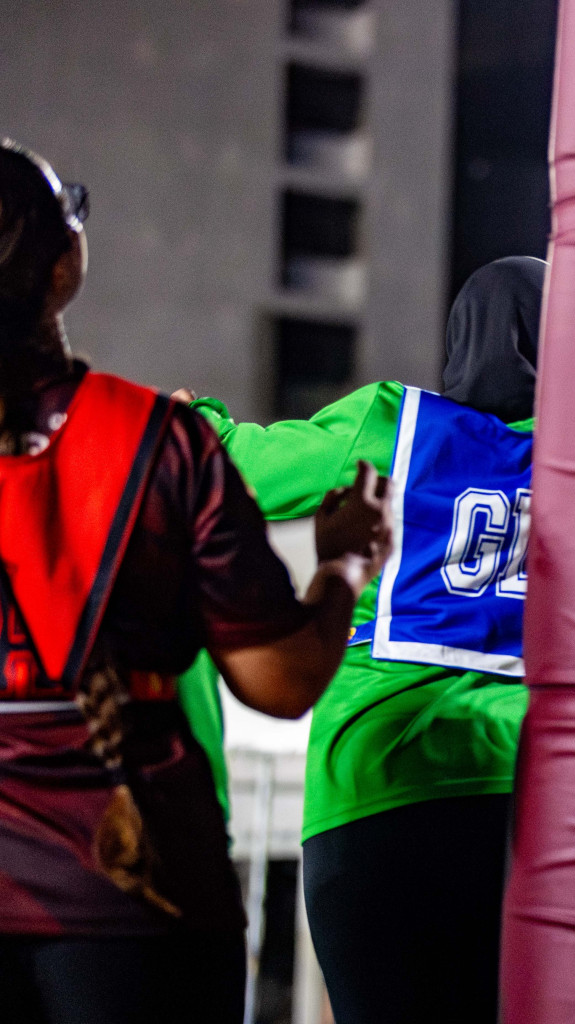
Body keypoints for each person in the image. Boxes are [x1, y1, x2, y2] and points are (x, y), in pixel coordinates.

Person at [0, 140, 390, 1023]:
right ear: (66, 266)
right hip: (134, 899)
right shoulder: (159, 442)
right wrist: (344, 561)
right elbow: (281, 681)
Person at [177, 256, 545, 1024]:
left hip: (372, 787)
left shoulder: (393, 423)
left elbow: (233, 468)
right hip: (528, 798)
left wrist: (194, 420)